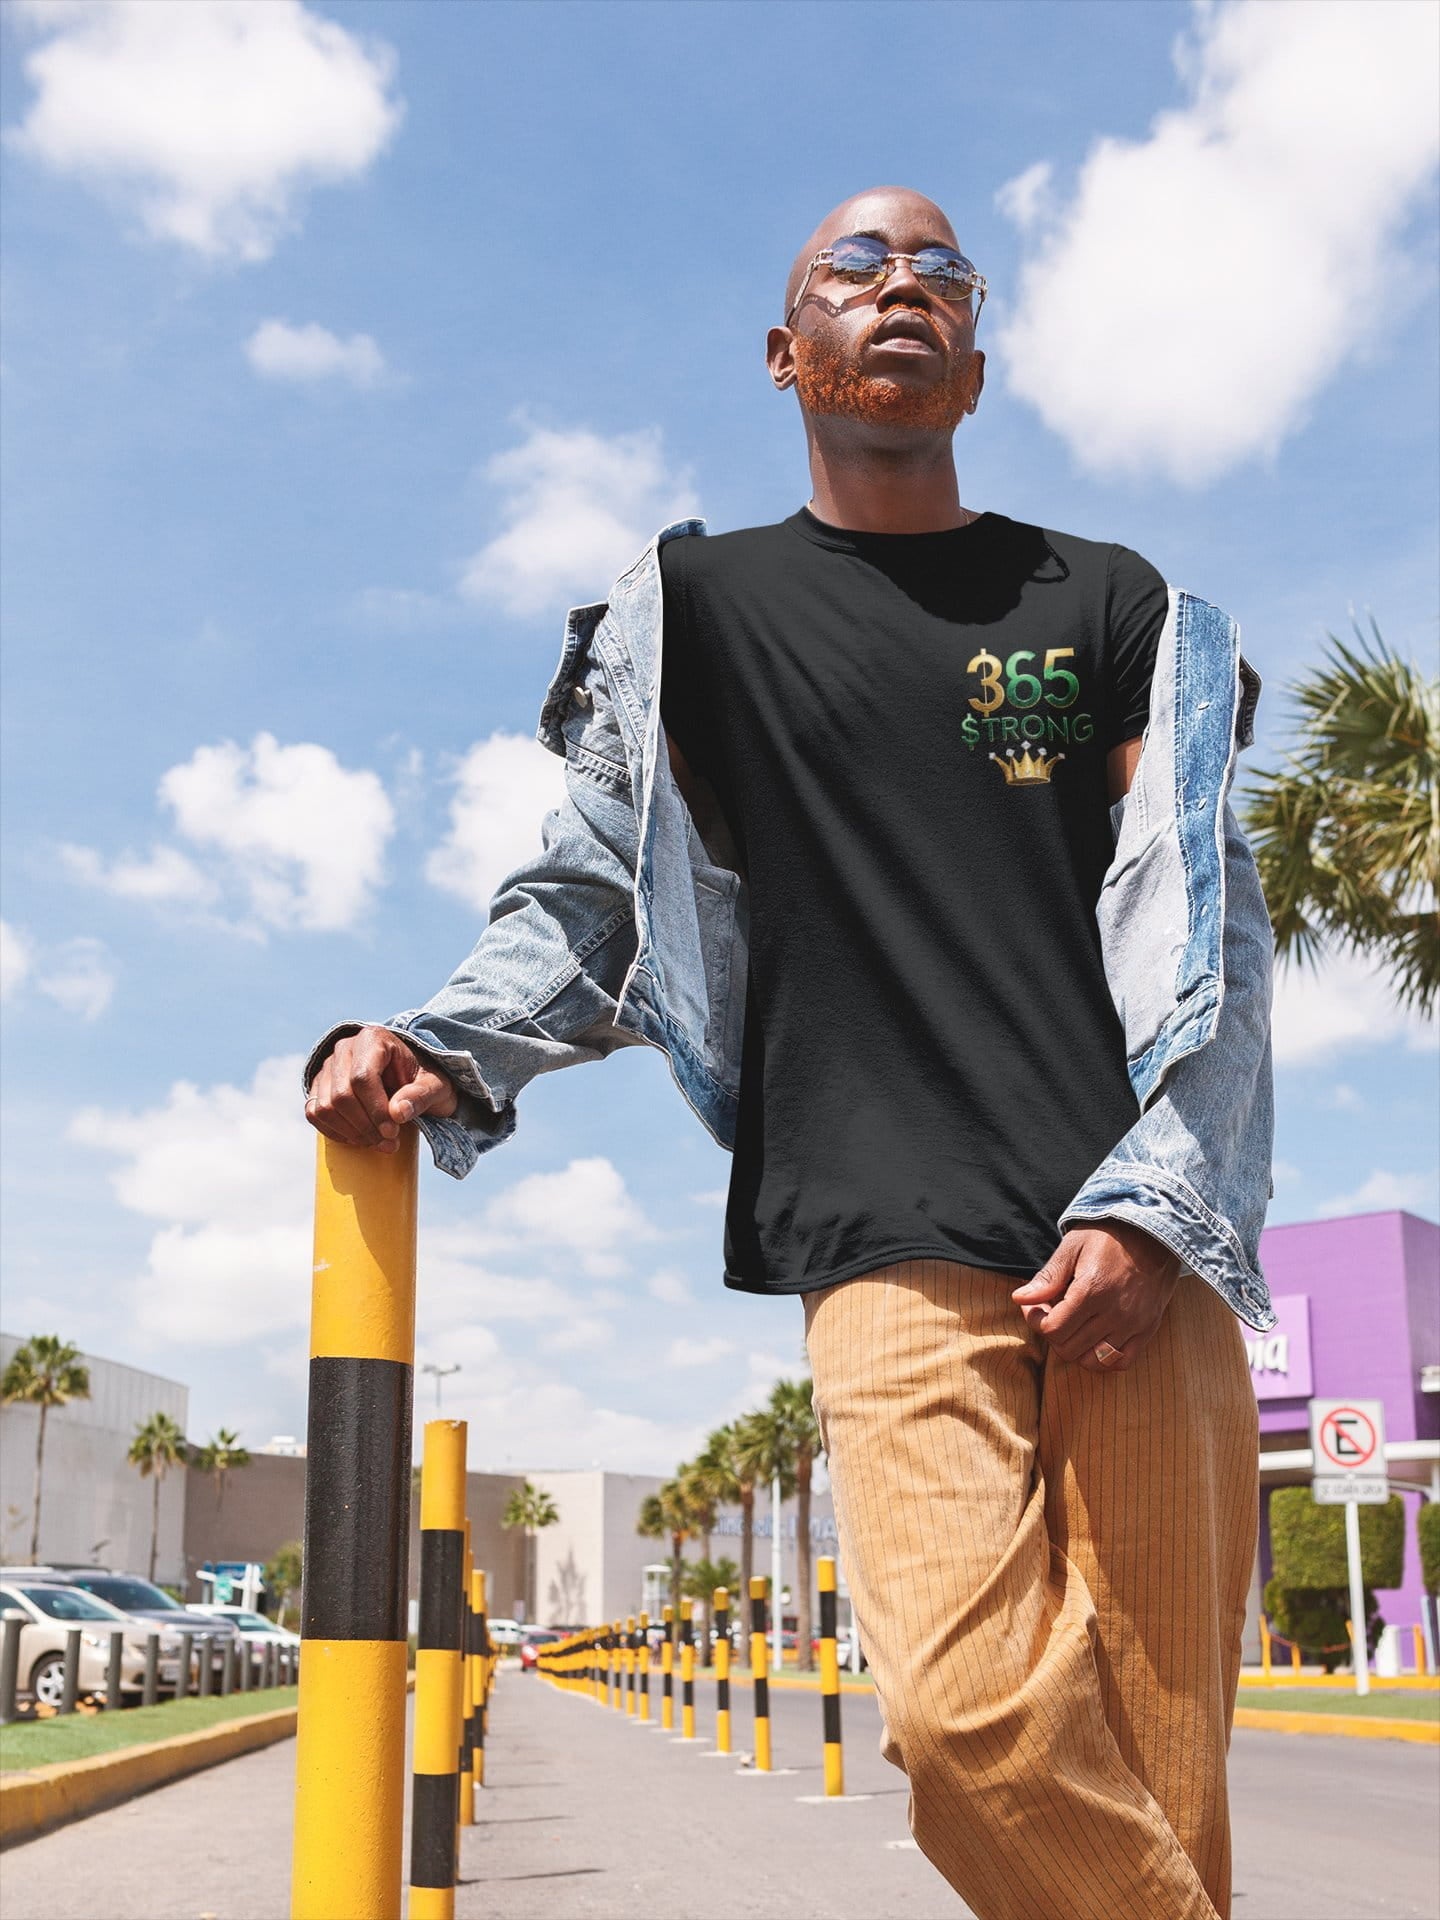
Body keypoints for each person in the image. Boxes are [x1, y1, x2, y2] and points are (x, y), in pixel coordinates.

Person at [304, 186, 1275, 1920]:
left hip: (1134, 1237)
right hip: (881, 1234)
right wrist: (443, 1042)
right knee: (966, 1723)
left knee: (1156, 1764)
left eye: (943, 272)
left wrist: (1161, 1203)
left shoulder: (1104, 598)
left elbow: (1212, 920)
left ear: (975, 362)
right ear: (785, 350)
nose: (904, 285)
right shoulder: (702, 609)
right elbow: (599, 891)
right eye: (857, 265)